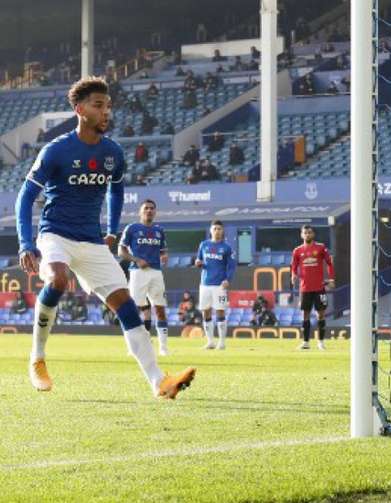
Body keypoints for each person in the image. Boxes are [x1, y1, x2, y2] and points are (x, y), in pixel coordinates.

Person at [15, 76, 195, 399]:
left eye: (108, 106)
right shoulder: (56, 151)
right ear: (79, 109)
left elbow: (117, 190)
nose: (106, 112)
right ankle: (37, 358)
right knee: (57, 280)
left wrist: (111, 230)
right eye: (99, 106)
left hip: (92, 242)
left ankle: (159, 382)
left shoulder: (113, 153)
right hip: (55, 235)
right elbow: (25, 197)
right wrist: (26, 243)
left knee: (125, 305)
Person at [118, 199, 170, 356]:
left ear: (155, 212)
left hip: (156, 272)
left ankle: (163, 348)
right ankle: (132, 347)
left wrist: (164, 255)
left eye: (152, 208)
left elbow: (163, 250)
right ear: (140, 212)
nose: (149, 210)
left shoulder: (159, 230)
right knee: (133, 310)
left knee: (160, 309)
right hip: (137, 273)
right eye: (146, 208)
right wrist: (136, 260)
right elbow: (121, 252)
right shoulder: (132, 228)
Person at [291, 225, 335, 350]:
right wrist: (293, 275)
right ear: (301, 235)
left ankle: (321, 342)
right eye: (305, 233)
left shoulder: (321, 248)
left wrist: (331, 279)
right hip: (305, 288)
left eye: (309, 232)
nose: (307, 235)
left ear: (313, 234)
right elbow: (293, 266)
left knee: (321, 314)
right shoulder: (297, 251)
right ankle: (306, 342)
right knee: (305, 314)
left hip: (319, 287)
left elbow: (329, 263)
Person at [195, 220, 235, 350]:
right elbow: (199, 259)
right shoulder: (204, 245)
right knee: (205, 311)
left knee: (220, 310)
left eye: (219, 229)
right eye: (215, 228)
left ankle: (222, 342)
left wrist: (227, 279)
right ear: (211, 230)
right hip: (205, 284)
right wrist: (198, 263)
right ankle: (210, 341)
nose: (217, 231)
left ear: (222, 231)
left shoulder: (227, 247)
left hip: (219, 285)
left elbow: (231, 266)